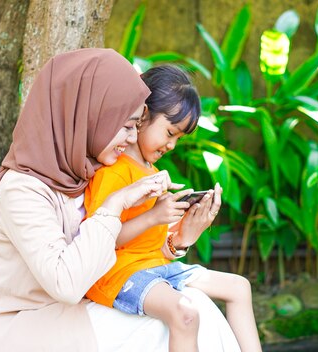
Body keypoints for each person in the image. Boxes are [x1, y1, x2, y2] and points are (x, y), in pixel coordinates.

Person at [0, 49, 240, 351]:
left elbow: (117, 253)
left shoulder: (83, 170)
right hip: (12, 329)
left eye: (135, 126)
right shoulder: (23, 189)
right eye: (125, 125)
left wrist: (179, 240)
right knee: (169, 323)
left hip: (61, 314)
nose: (132, 138)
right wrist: (115, 205)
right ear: (90, 115)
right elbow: (67, 283)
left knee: (196, 307)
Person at [84, 65, 261, 352]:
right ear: (142, 116)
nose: (172, 144)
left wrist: (184, 230)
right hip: (118, 276)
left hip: (156, 269)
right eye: (170, 132)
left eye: (178, 138)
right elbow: (100, 239)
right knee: (185, 314)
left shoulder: (152, 171)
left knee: (239, 287)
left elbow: (153, 243)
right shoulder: (115, 171)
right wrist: (155, 215)